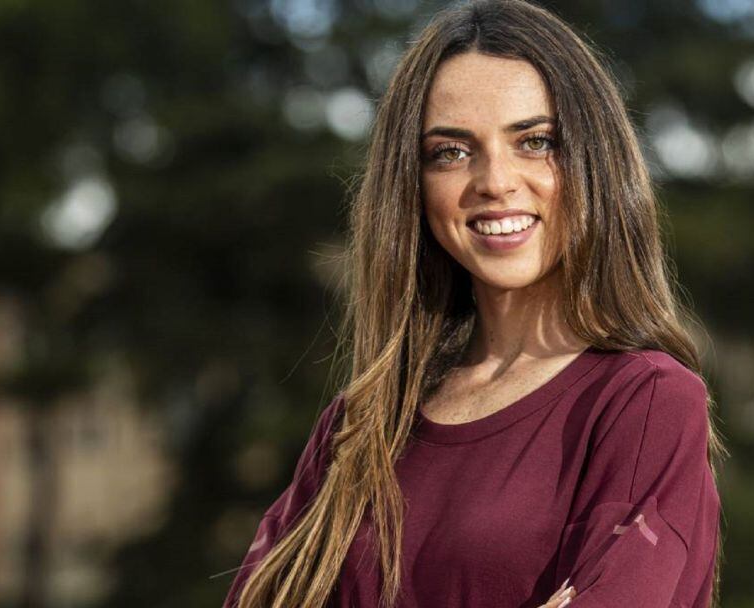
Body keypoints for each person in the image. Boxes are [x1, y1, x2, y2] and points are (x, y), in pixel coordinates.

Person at [221, 0, 727, 606]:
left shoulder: (646, 402)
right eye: (451, 152)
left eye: (536, 141)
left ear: (596, 161)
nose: (494, 180)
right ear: (413, 183)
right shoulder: (360, 426)